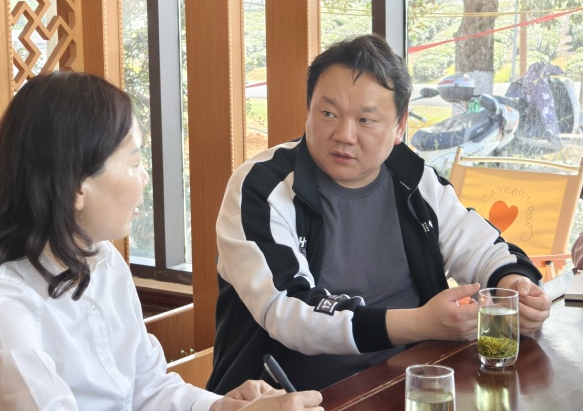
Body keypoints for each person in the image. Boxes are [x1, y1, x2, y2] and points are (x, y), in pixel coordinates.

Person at [0, 72, 323, 411]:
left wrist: (224, 408)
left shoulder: (102, 259)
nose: (144, 178)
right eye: (135, 162)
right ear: (77, 186)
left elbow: (147, 389)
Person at [207, 34, 552, 393]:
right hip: (288, 397)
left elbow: (482, 249)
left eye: (366, 120)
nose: (344, 135)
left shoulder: (412, 179)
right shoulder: (262, 186)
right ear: (308, 110)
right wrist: (420, 323)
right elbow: (288, 310)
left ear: (400, 126)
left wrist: (515, 288)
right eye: (328, 114)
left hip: (409, 386)